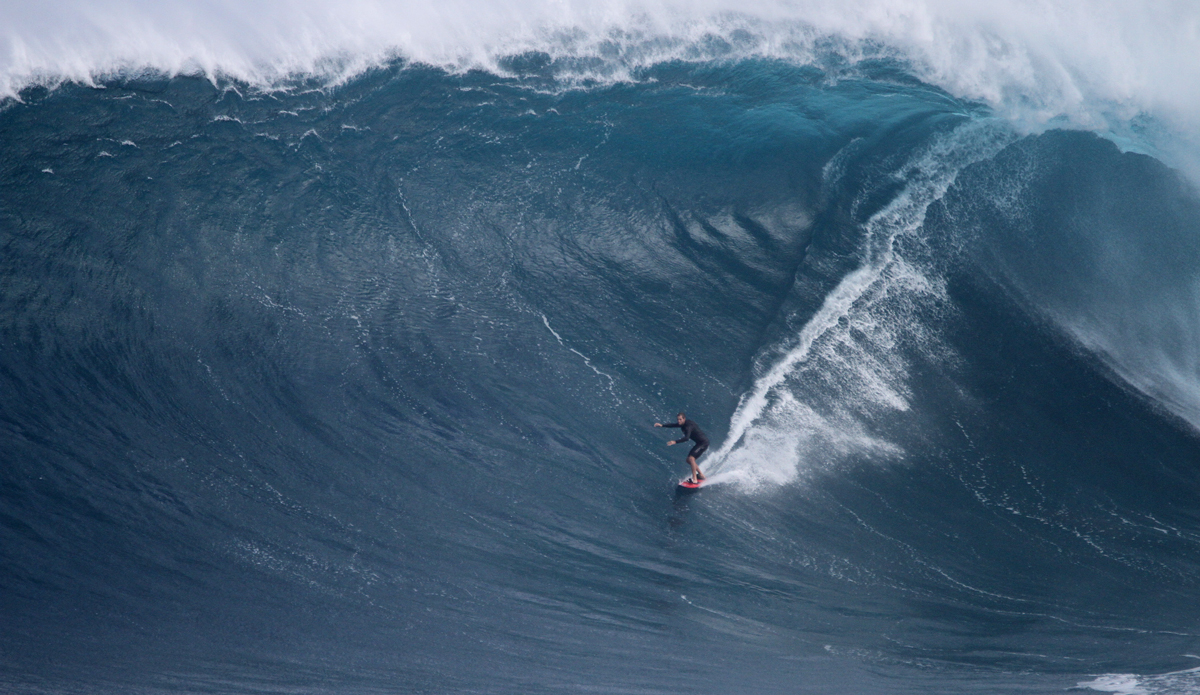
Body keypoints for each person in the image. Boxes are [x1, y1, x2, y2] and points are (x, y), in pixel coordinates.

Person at [655, 412, 708, 484]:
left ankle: (694, 479)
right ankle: (701, 475)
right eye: (678, 419)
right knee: (688, 460)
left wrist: (675, 442)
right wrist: (662, 425)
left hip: (703, 443)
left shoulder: (688, 426)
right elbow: (673, 425)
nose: (678, 421)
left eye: (680, 419)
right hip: (699, 443)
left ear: (684, 419)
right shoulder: (682, 424)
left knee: (691, 458)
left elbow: (686, 438)